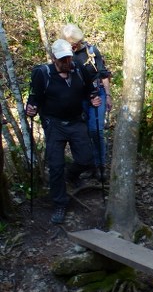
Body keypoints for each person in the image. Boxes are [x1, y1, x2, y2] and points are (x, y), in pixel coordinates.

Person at [26, 39, 102, 224]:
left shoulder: (78, 68)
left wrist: (93, 97)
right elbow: (34, 97)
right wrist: (31, 108)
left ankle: (73, 174)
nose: (67, 62)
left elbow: (89, 87)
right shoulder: (42, 73)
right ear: (53, 58)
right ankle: (59, 204)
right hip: (54, 125)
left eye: (69, 58)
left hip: (76, 121)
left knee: (86, 159)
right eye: (62, 59)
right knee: (56, 166)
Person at [60, 23, 112, 174]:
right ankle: (90, 164)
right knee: (85, 133)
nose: (72, 46)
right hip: (79, 97)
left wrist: (108, 95)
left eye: (74, 43)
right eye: (70, 44)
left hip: (97, 94)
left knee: (96, 130)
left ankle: (100, 166)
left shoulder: (92, 51)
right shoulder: (65, 55)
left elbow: (103, 73)